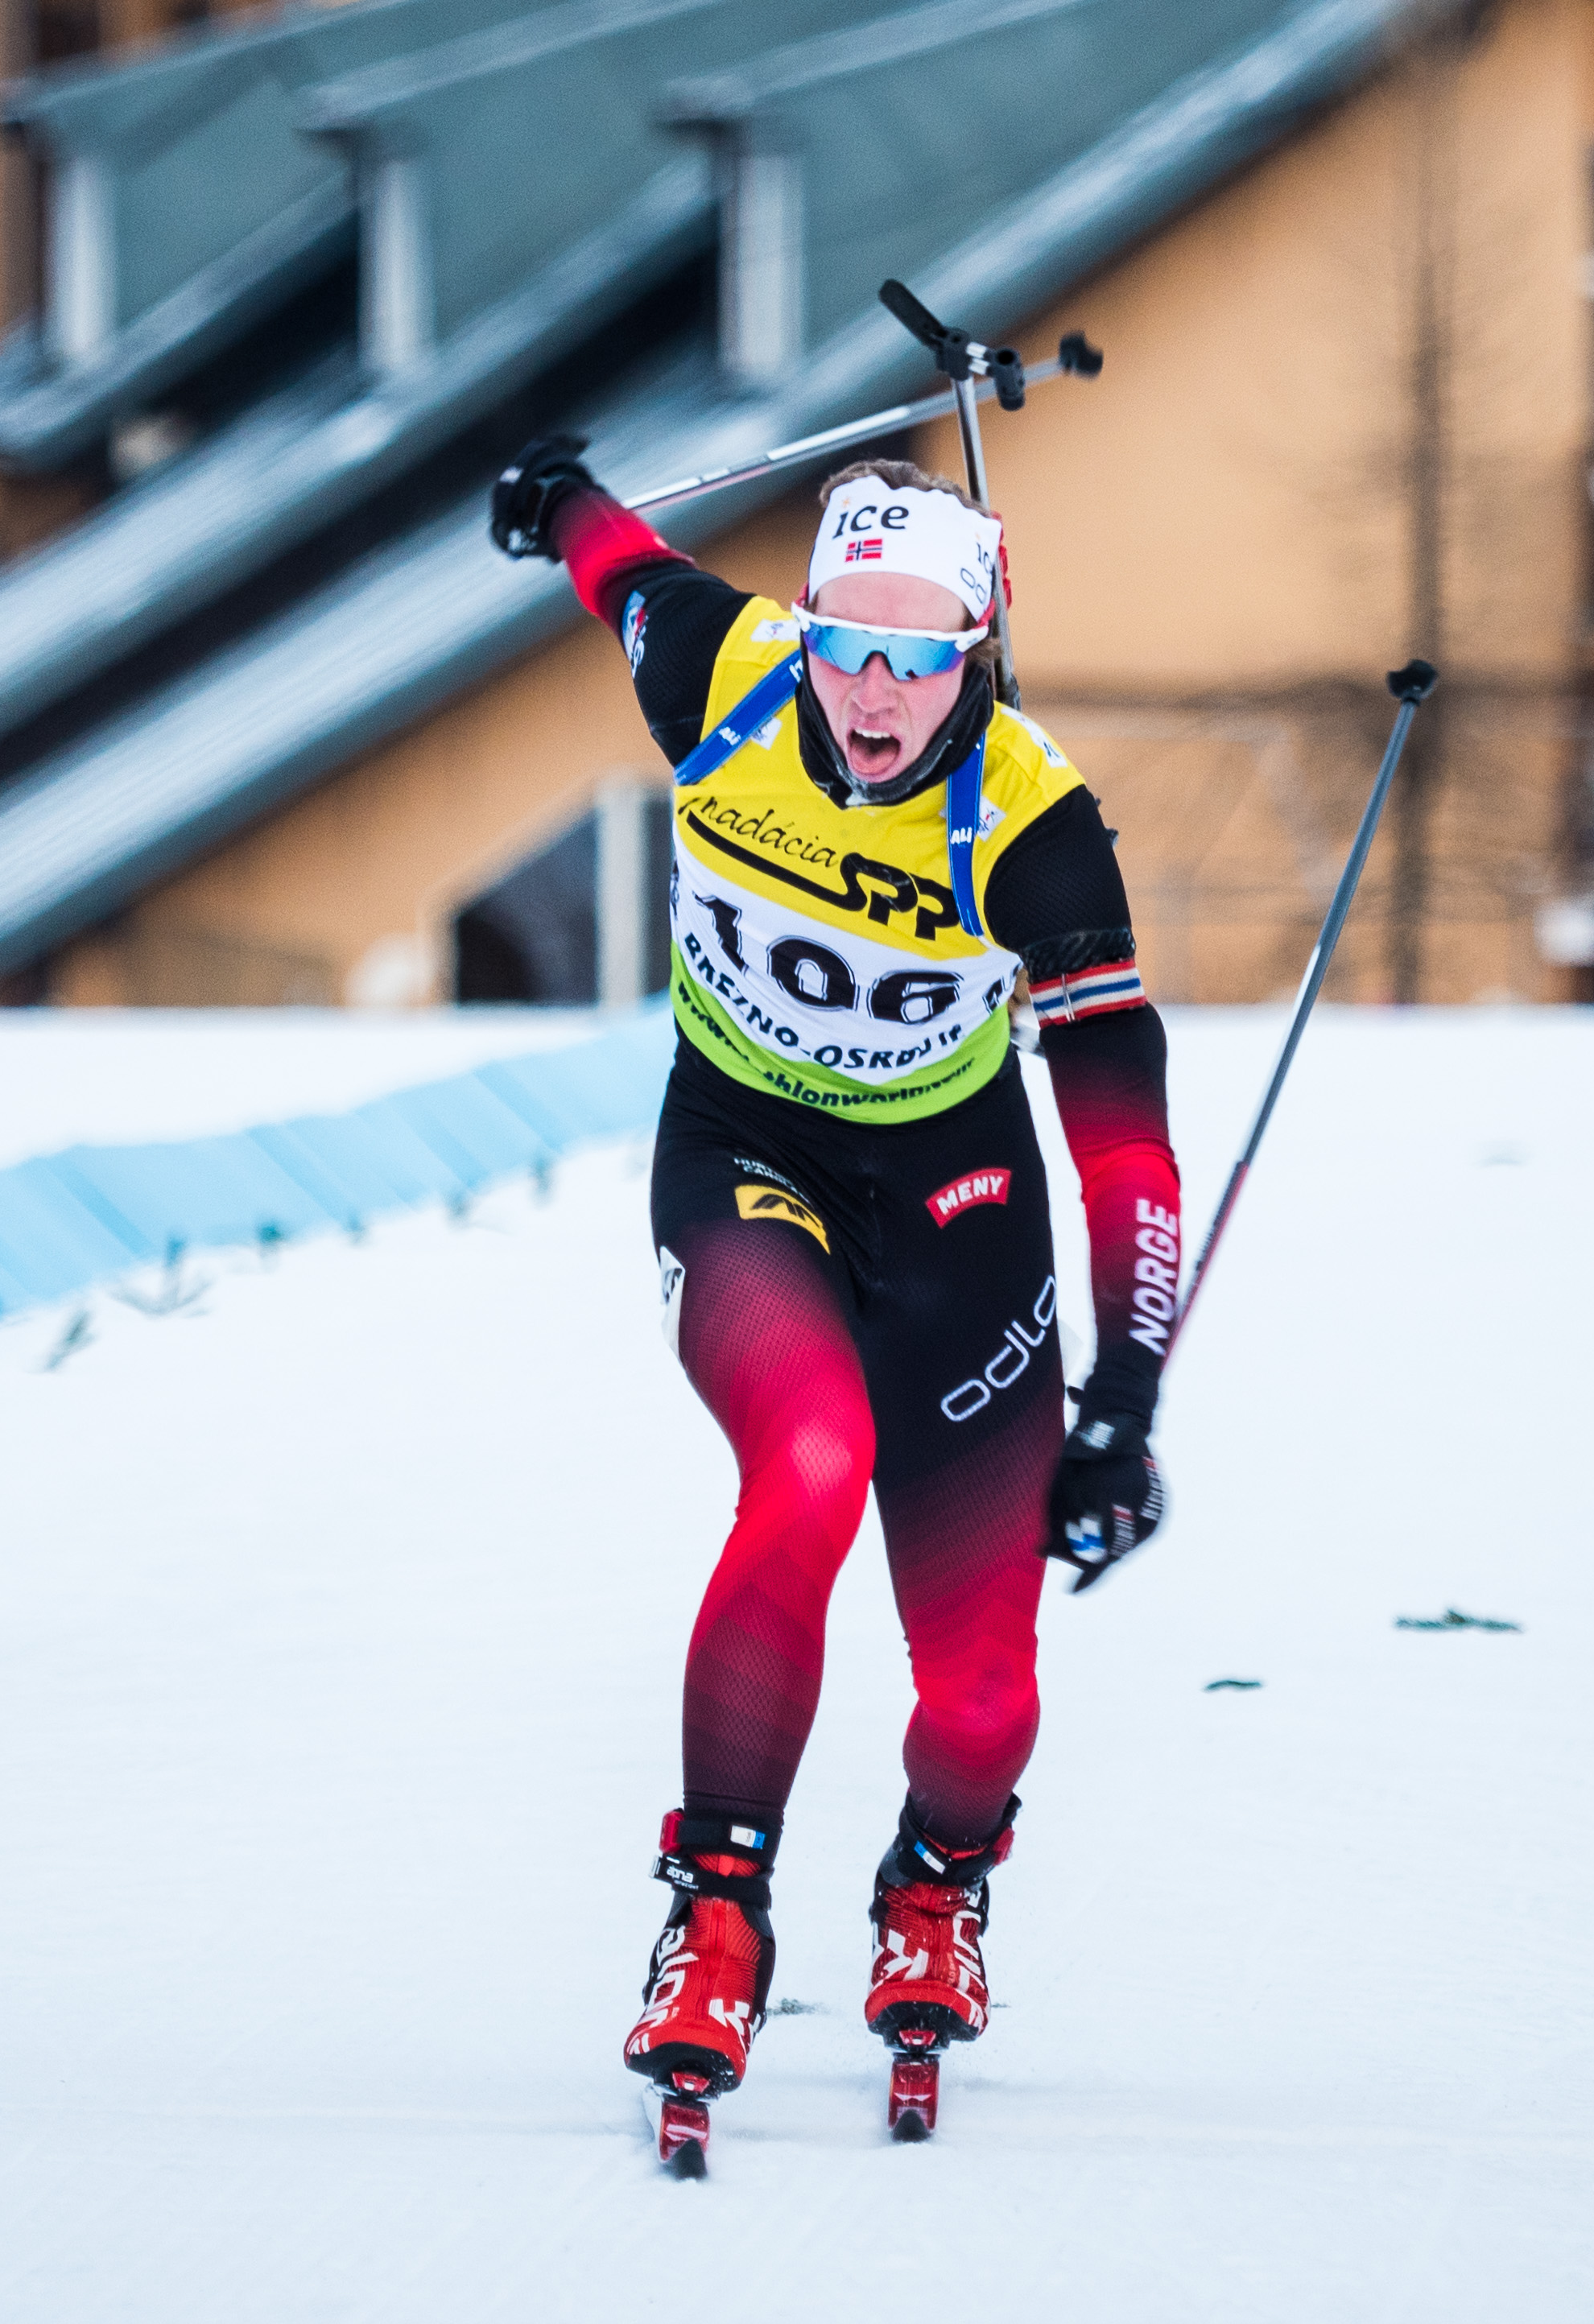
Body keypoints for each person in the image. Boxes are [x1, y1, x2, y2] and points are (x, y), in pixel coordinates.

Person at [489, 433, 1183, 2121]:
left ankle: (933, 1890)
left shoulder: (1030, 824)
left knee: (980, 1680)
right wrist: (552, 499)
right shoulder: (719, 678)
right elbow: (616, 565)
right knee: (806, 1467)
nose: (872, 694)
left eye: (918, 659)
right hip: (743, 1159)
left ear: (973, 661)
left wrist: (1125, 1400)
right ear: (798, 633)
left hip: (957, 1208)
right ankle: (713, 1915)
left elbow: (1124, 1152)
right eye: (844, 647)